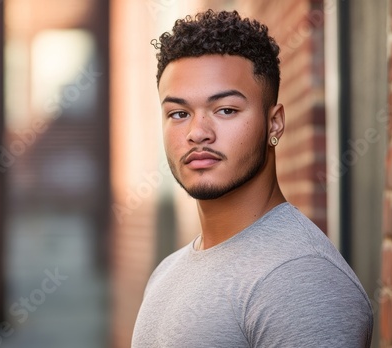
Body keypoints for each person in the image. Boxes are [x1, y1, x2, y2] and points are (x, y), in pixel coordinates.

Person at [132, 9, 373, 348]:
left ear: (274, 123)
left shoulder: (299, 278)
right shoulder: (167, 272)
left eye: (226, 110)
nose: (197, 133)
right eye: (179, 113)